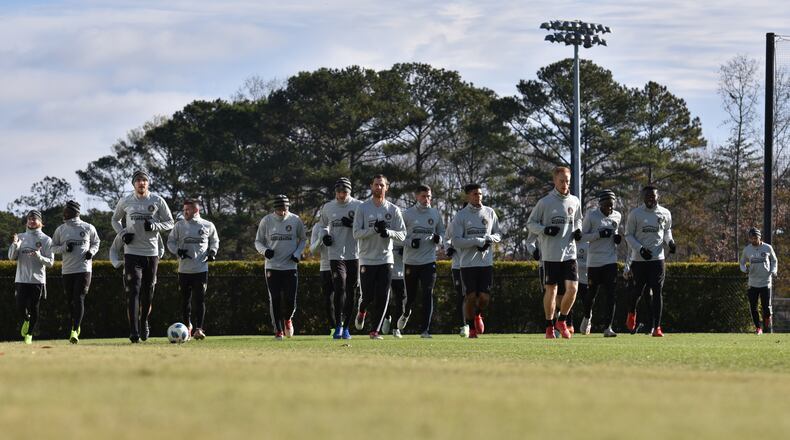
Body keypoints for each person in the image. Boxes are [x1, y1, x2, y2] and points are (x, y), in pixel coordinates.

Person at [112, 170, 174, 342]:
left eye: (144, 180)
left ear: (148, 183)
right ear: (133, 184)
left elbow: (170, 222)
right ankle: (134, 331)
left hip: (151, 253)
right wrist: (123, 234)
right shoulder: (125, 200)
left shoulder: (157, 200)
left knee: (148, 293)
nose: (141, 183)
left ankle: (144, 321)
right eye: (138, 180)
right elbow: (114, 220)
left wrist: (155, 226)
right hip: (132, 253)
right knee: (134, 291)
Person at [527, 166, 582, 339]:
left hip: (569, 253)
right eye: (562, 181)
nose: (565, 184)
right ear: (554, 181)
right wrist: (545, 230)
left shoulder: (575, 201)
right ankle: (549, 326)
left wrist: (578, 229)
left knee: (573, 289)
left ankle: (563, 320)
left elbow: (578, 219)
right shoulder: (545, 202)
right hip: (550, 254)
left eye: (567, 181)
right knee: (551, 290)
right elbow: (530, 224)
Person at [352, 175, 406, 340]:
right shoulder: (363, 208)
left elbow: (403, 235)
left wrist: (388, 232)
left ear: (386, 187)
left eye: (382, 185)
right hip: (367, 259)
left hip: (386, 259)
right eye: (376, 185)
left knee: (383, 295)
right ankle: (362, 311)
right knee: (367, 296)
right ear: (371, 187)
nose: (379, 188)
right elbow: (356, 233)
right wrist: (374, 230)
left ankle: (374, 331)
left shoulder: (393, 210)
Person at [451, 183, 502, 339]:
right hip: (467, 264)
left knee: (484, 298)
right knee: (470, 297)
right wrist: (476, 241)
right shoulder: (461, 216)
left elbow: (498, 234)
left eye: (480, 194)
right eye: (474, 194)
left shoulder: (490, 212)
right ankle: (471, 327)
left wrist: (488, 239)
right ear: (468, 196)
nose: (478, 196)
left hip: (485, 263)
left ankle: (478, 314)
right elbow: (457, 242)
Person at [624, 185, 675, 337]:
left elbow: (667, 230)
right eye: (647, 196)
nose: (650, 199)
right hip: (639, 260)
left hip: (657, 259)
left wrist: (670, 242)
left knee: (657, 291)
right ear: (643, 197)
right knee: (637, 292)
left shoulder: (665, 213)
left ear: (657, 197)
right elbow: (628, 235)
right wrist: (640, 249)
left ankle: (657, 327)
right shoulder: (635, 214)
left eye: (653, 196)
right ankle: (632, 312)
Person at [255, 194, 307, 340]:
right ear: (275, 209)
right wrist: (265, 251)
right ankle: (278, 330)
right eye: (279, 209)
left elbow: (303, 239)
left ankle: (288, 319)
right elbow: (258, 241)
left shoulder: (295, 220)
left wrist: (297, 253)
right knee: (276, 298)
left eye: (285, 209)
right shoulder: (267, 220)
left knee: (291, 299)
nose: (282, 212)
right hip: (272, 266)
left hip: (290, 266)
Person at [167, 198, 219, 340]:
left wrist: (212, 252)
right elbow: (170, 242)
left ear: (196, 210)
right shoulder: (179, 226)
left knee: (200, 300)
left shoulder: (207, 225)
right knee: (185, 301)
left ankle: (199, 329)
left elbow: (215, 240)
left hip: (201, 269)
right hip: (184, 270)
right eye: (184, 210)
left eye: (187, 210)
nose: (185, 212)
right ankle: (187, 327)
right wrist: (178, 251)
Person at [50, 200, 100, 343]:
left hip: (84, 269)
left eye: (67, 210)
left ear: (75, 212)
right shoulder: (60, 229)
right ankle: (75, 325)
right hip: (67, 270)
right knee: (70, 301)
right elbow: (53, 248)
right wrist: (64, 247)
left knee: (79, 298)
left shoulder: (88, 227)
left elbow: (97, 242)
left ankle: (74, 330)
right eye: (64, 210)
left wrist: (92, 251)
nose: (64, 213)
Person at [319, 177, 363, 340]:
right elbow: (322, 225)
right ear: (335, 192)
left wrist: (352, 224)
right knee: (339, 288)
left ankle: (346, 327)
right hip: (335, 255)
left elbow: (365, 227)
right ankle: (338, 325)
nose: (341, 194)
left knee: (351, 291)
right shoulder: (328, 207)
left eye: (344, 191)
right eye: (338, 191)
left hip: (354, 255)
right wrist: (325, 236)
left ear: (349, 192)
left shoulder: (358, 206)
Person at [400, 185, 445, 338]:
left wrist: (440, 239)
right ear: (417, 196)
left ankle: (425, 330)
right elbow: (398, 237)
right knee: (411, 297)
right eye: (424, 196)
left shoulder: (435, 213)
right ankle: (406, 312)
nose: (427, 199)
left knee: (428, 292)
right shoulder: (407, 214)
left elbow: (442, 233)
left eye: (429, 197)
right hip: (411, 261)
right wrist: (410, 242)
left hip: (429, 260)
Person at [580, 190, 622, 337]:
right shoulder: (592, 216)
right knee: (591, 294)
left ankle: (608, 327)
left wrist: (617, 238)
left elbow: (615, 233)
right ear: (600, 204)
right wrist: (599, 235)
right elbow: (582, 237)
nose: (609, 209)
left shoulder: (617, 216)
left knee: (611, 294)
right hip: (594, 261)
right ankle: (587, 317)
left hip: (610, 260)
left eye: (611, 206)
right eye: (606, 206)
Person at [8, 210, 54, 344]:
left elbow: (50, 262)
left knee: (34, 308)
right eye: (29, 219)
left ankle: (29, 334)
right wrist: (15, 244)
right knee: (20, 307)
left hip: (37, 280)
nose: (31, 221)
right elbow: (11, 257)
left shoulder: (46, 239)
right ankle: (26, 320)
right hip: (21, 279)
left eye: (34, 219)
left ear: (41, 222)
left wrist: (39, 256)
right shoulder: (20, 237)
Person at [739, 227, 778, 334]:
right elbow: (742, 262)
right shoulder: (747, 249)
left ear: (759, 237)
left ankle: (767, 317)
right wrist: (744, 269)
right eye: (751, 238)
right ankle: (758, 328)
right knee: (753, 306)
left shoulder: (767, 248)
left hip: (766, 281)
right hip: (752, 282)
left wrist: (774, 270)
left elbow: (774, 260)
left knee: (766, 307)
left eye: (755, 238)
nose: (753, 240)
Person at [310, 216, 337, 337]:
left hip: (340, 265)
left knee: (343, 296)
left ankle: (341, 325)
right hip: (325, 267)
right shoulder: (317, 227)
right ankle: (333, 327)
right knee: (328, 300)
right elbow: (312, 249)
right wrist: (320, 239)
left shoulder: (338, 224)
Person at [445, 210, 467, 337]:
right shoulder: (453, 224)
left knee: (473, 295)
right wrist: (448, 248)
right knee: (461, 295)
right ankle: (464, 325)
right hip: (458, 266)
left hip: (473, 264)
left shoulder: (477, 223)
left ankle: (476, 315)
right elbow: (446, 239)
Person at [387, 244, 407, 338]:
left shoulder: (405, 233)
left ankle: (396, 328)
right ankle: (386, 317)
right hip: (385, 271)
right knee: (384, 299)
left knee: (400, 302)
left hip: (400, 274)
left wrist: (406, 249)